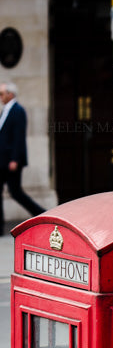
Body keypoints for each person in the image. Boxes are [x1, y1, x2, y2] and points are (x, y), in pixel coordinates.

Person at [0, 82, 44, 234]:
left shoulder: (18, 111)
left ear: (10, 94)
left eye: (2, 94)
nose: (0, 97)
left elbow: (19, 138)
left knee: (16, 192)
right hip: (2, 160)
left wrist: (14, 159)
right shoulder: (5, 110)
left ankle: (41, 214)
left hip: (10, 161)